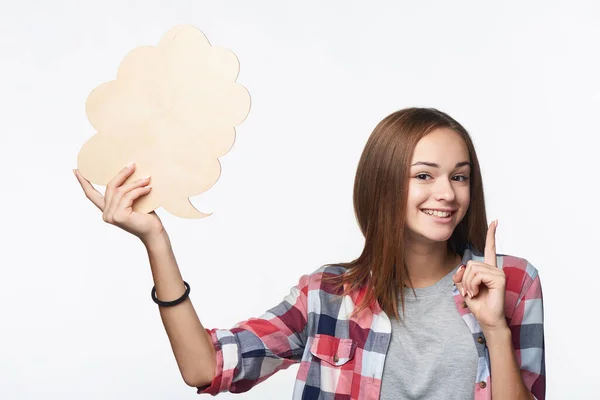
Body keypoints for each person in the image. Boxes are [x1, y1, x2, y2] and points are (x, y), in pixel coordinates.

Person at [73, 107, 545, 400]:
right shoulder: (327, 295)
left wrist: (495, 329)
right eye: (423, 175)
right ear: (383, 183)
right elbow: (205, 368)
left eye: (459, 176)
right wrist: (156, 240)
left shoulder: (512, 282)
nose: (446, 192)